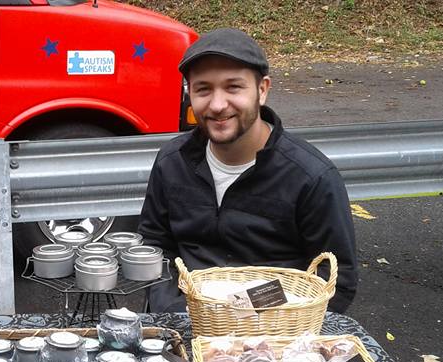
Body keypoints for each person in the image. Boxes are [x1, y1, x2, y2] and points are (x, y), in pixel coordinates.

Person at [138, 28, 357, 313]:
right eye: (203, 89)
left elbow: (337, 281)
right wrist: (174, 311)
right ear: (190, 93)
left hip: (272, 333)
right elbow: (153, 248)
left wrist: (240, 315)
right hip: (182, 321)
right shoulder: (172, 162)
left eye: (233, 87)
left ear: (262, 90)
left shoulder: (310, 177)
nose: (217, 105)